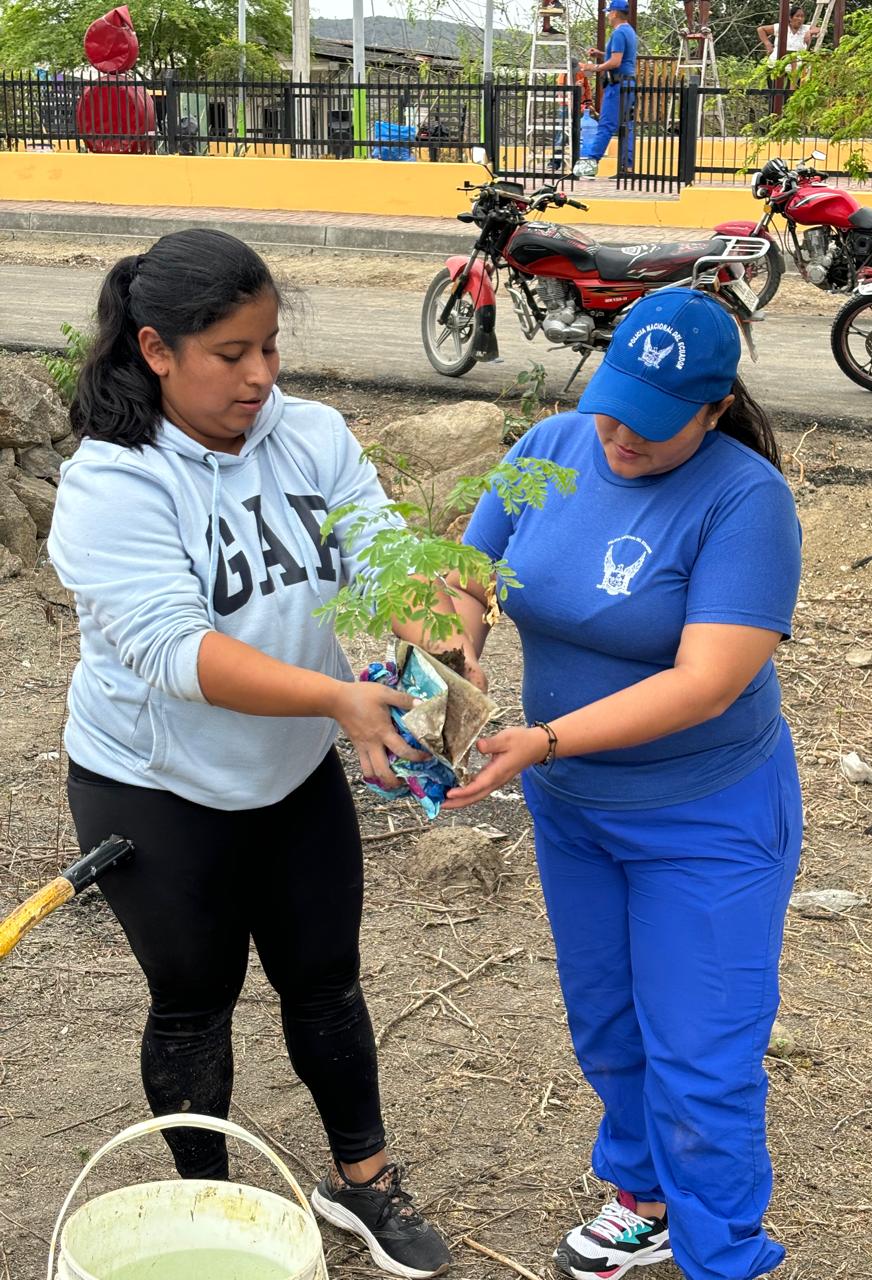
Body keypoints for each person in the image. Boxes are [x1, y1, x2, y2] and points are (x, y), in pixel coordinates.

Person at [47, 228, 468, 1280]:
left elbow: (380, 555)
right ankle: (210, 1209)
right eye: (231, 353)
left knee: (325, 978)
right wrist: (337, 698)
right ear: (156, 350)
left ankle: (362, 1181)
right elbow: (172, 649)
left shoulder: (310, 434)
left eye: (270, 347)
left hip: (290, 768)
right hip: (152, 783)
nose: (260, 375)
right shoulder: (113, 482)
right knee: (193, 998)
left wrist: (442, 629)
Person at [441, 288, 804, 1280]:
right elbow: (467, 575)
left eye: (653, 422)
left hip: (706, 818)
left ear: (714, 410)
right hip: (575, 811)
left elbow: (706, 681)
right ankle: (642, 1198)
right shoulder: (551, 449)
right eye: (613, 407)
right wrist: (453, 660)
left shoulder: (746, 502)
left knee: (702, 1051)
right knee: (606, 1018)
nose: (621, 436)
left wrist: (547, 738)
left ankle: (724, 1253)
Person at [574, 0, 638, 179]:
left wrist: (592, 67)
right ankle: (627, 167)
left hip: (617, 85)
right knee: (626, 125)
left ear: (615, 13)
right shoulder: (629, 31)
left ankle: (590, 163)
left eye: (609, 12)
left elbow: (616, 62)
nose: (608, 16)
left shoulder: (618, 33)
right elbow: (622, 57)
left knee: (606, 124)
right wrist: (601, 54)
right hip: (628, 84)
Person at [758, 5, 820, 80]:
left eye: (802, 16)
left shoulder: (806, 28)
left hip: (797, 69)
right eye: (797, 16)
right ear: (790, 18)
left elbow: (820, 30)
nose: (800, 19)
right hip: (776, 65)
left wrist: (810, 32)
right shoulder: (781, 27)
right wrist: (767, 44)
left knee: (793, 86)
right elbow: (761, 29)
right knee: (776, 86)